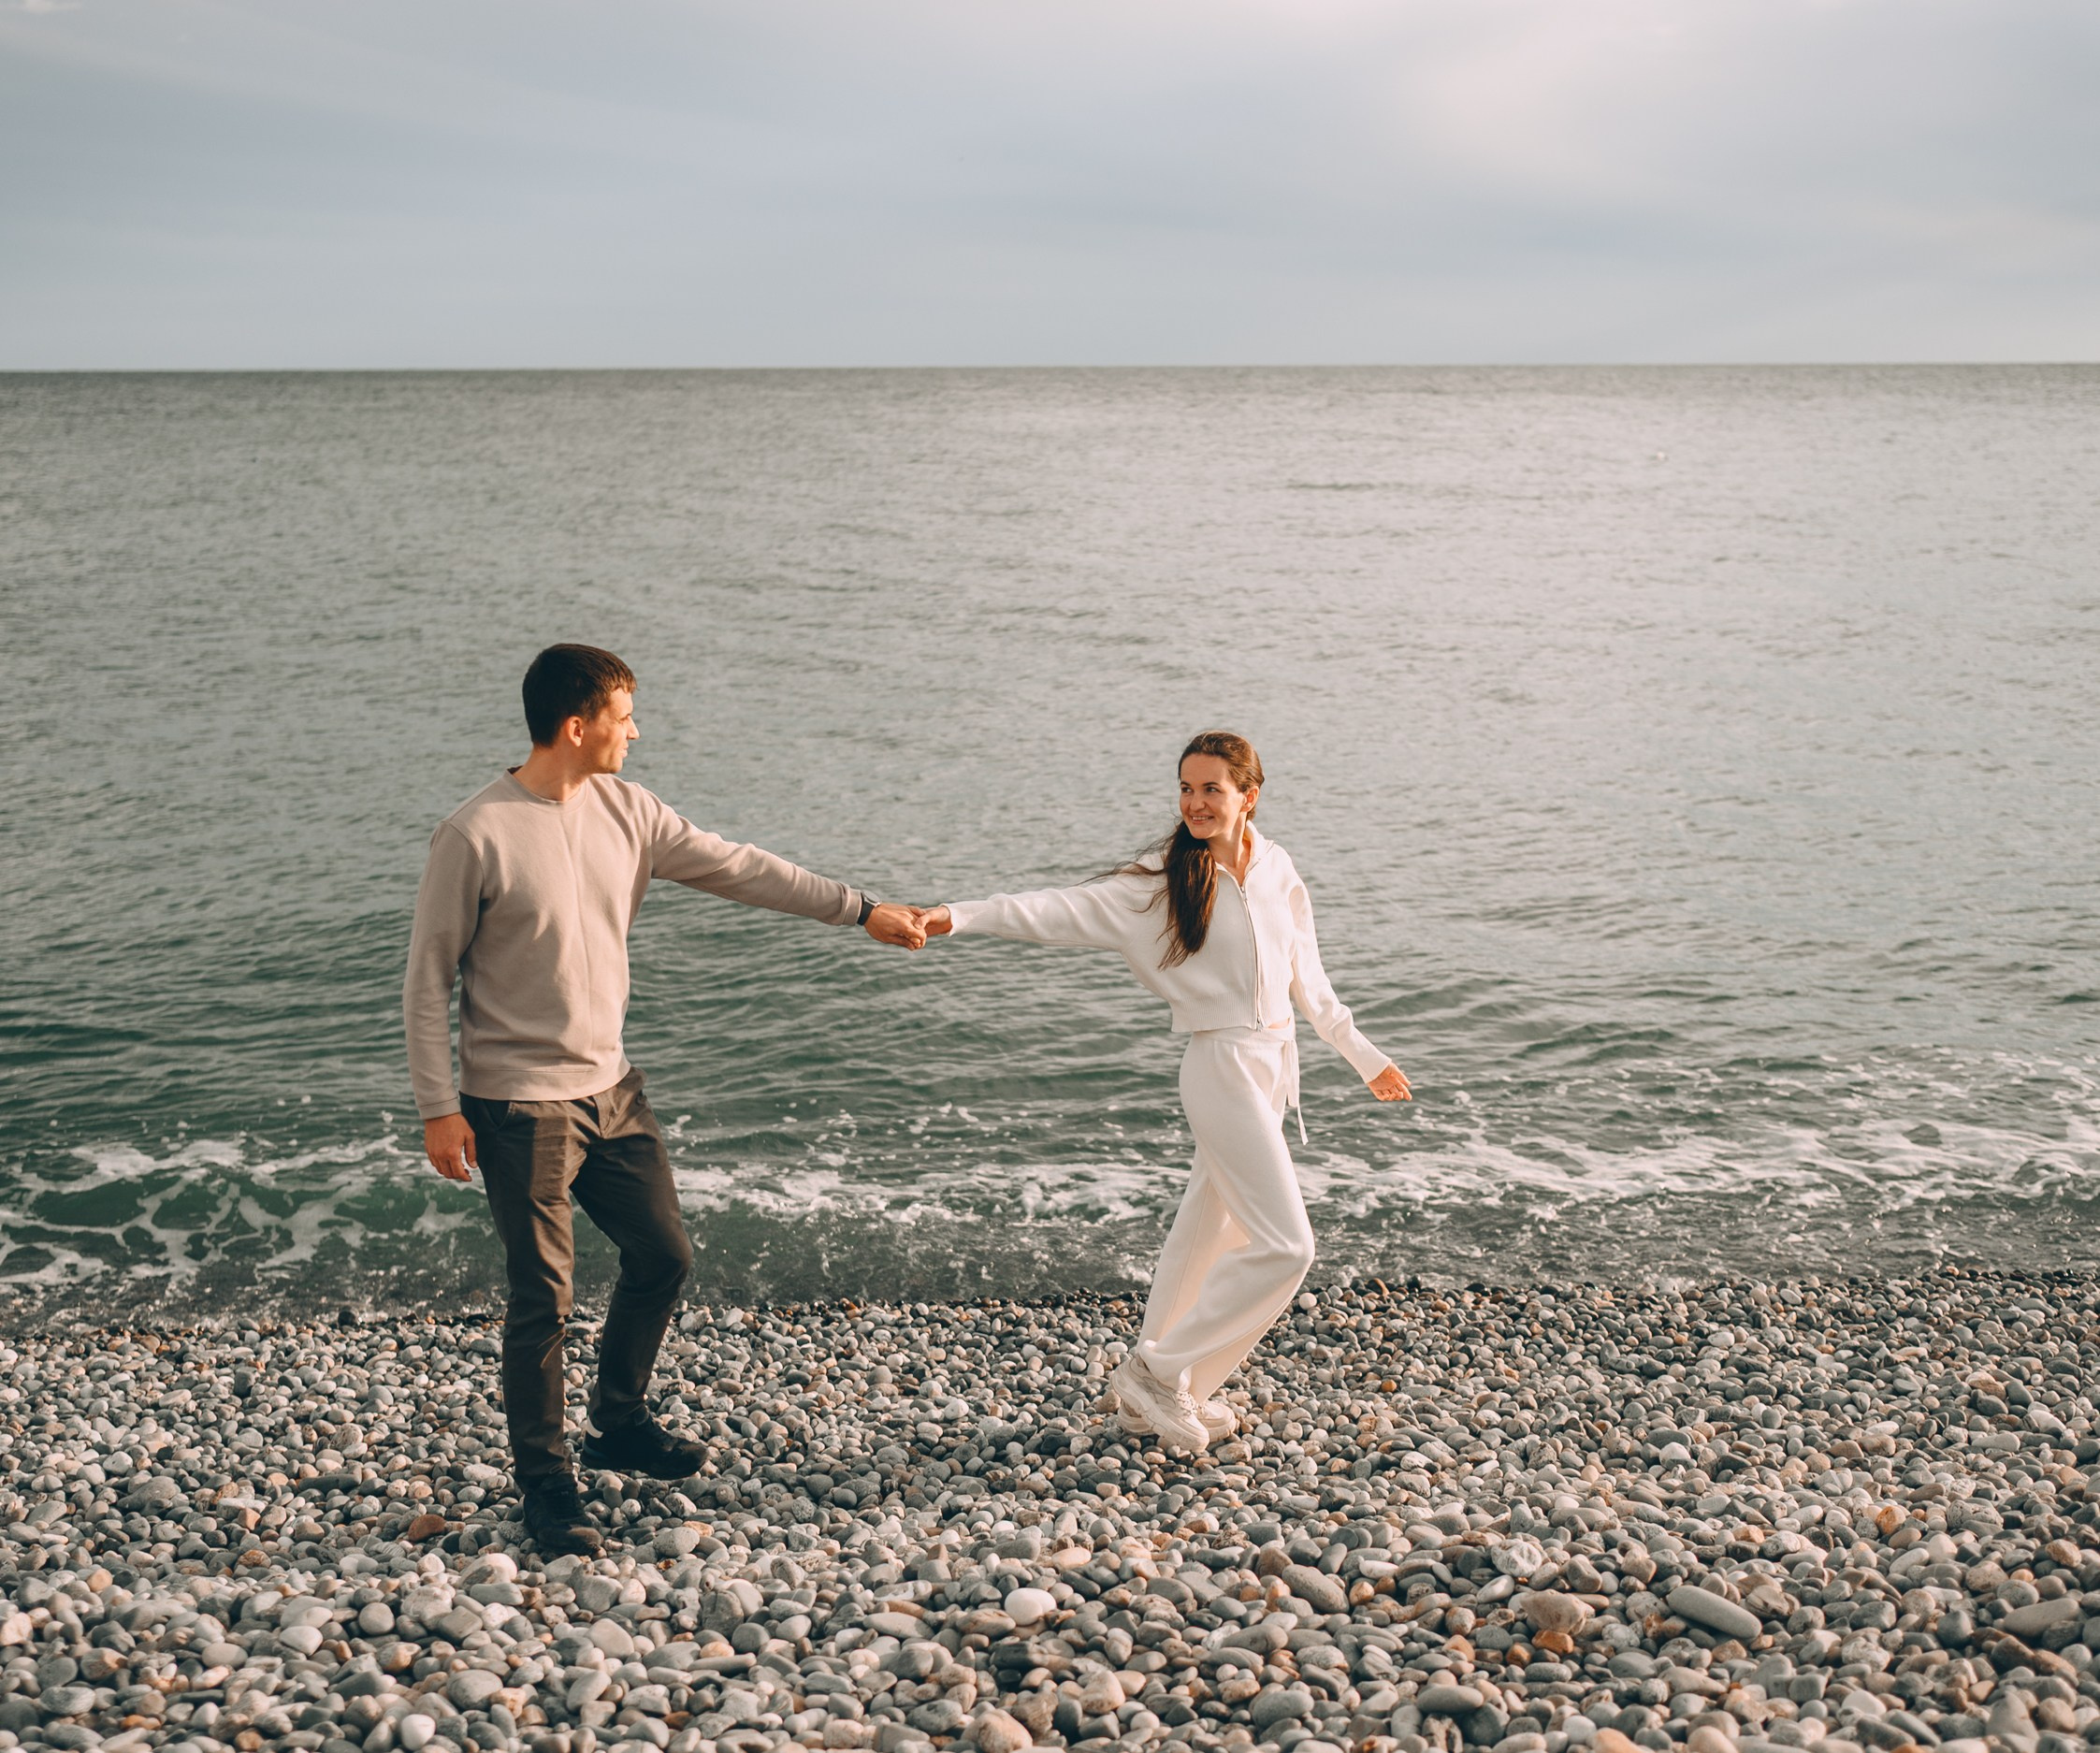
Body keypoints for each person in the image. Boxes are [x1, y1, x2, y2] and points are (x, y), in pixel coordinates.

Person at [404, 644, 926, 1555]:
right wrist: (438, 1105)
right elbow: (425, 979)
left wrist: (859, 907)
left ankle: (618, 1419)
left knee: (664, 1254)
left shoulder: (629, 810)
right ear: (578, 725)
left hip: (611, 1087)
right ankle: (548, 1486)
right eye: (624, 714)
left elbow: (743, 865)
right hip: (519, 1104)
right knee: (544, 1297)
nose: (635, 730)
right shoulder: (475, 833)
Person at [917, 731, 1410, 1452]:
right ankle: (1156, 1369)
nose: (1195, 802)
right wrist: (955, 915)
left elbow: (1310, 979)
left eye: (1212, 789)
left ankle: (1164, 1397)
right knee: (1286, 1246)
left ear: (1249, 795)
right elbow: (1054, 909)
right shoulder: (1158, 881)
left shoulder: (1275, 867)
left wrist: (1363, 1057)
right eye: (1186, 787)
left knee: (1206, 1236)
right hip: (1219, 1067)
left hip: (1273, 1064)